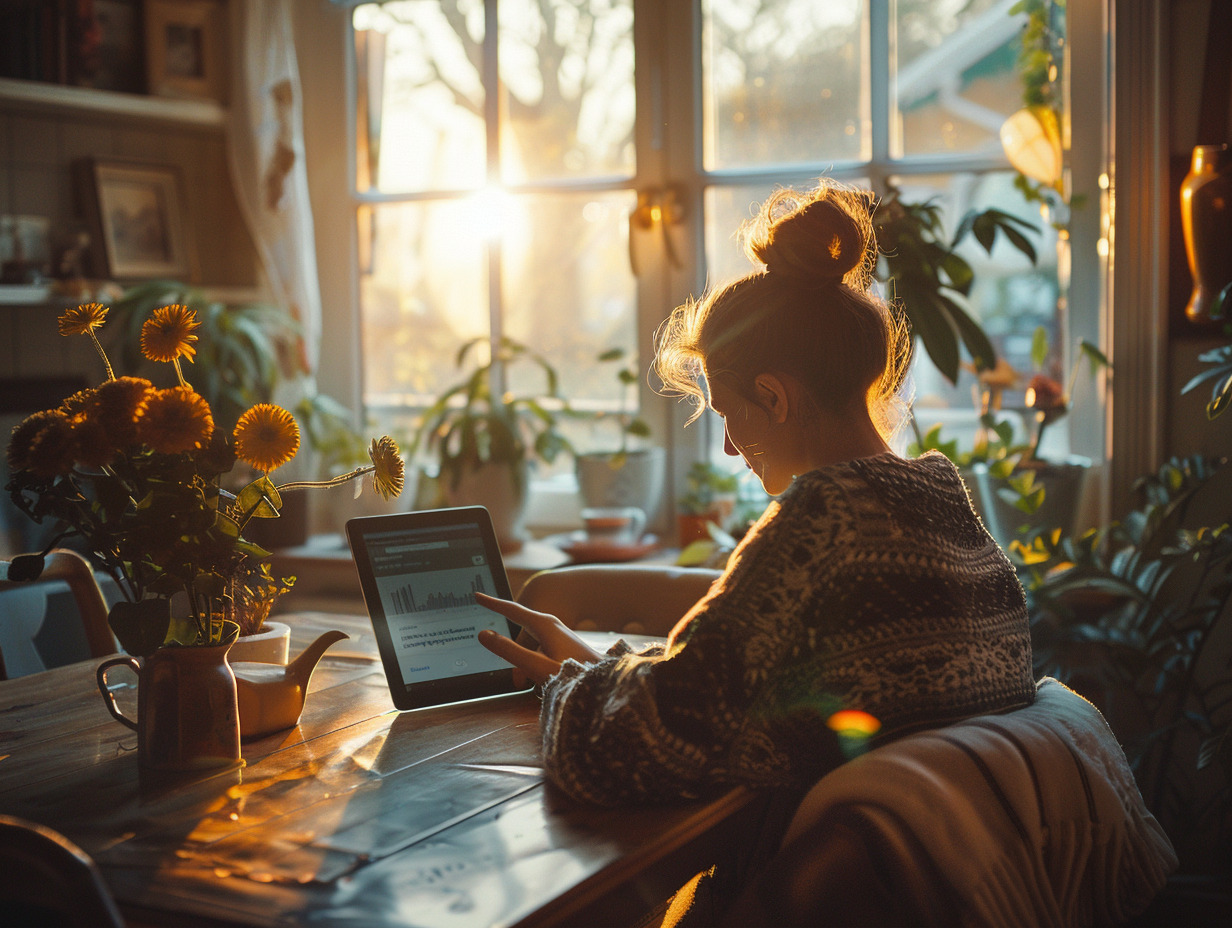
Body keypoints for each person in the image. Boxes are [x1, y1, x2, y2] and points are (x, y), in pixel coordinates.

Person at [477, 178, 1035, 807]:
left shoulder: (824, 521)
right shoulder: (943, 505)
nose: (727, 447)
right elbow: (752, 705)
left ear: (773, 397)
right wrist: (608, 672)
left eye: (726, 413)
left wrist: (569, 690)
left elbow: (630, 754)